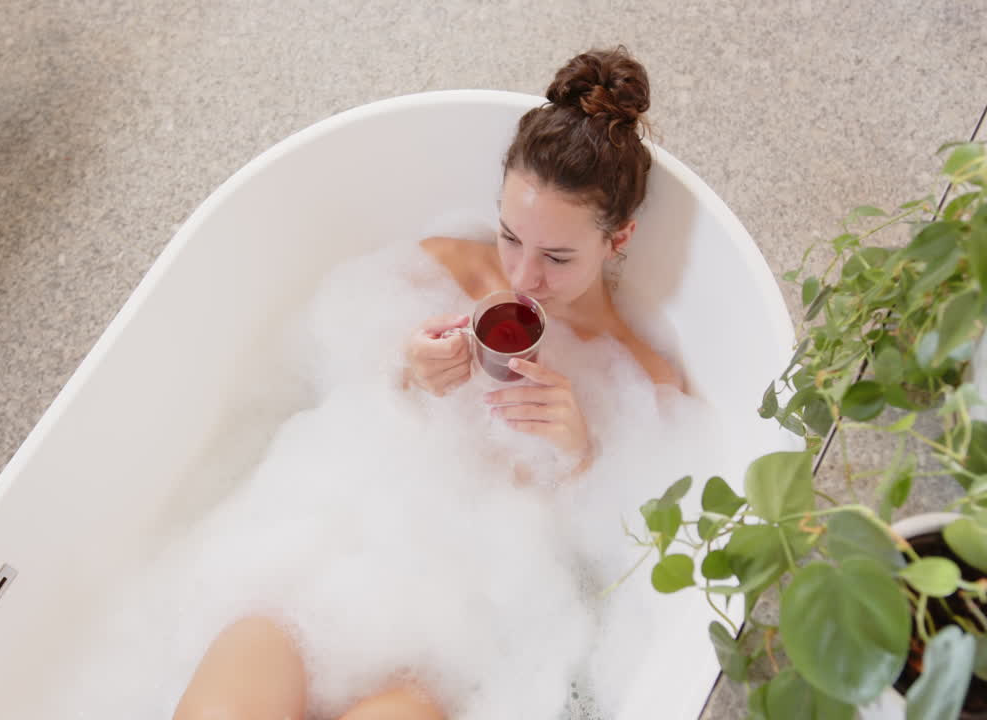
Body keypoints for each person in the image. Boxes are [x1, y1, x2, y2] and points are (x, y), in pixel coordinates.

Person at [173, 46, 685, 720]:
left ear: (618, 241)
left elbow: (629, 561)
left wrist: (581, 456)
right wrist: (402, 374)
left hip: (457, 639)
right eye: (510, 237)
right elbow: (329, 392)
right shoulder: (440, 271)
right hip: (322, 562)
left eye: (558, 257)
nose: (523, 277)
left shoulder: (643, 382)